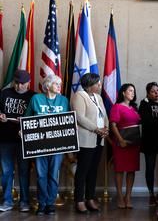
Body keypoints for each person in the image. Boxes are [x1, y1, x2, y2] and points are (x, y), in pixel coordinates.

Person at [25, 74, 70, 215]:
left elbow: (68, 120)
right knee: (41, 175)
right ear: (48, 85)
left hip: (57, 146)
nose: (59, 87)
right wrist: (23, 130)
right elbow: (27, 119)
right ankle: (42, 203)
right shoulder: (36, 99)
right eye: (57, 84)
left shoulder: (63, 100)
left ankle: (51, 204)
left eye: (60, 84)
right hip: (39, 145)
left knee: (53, 175)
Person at [71, 73, 109, 214]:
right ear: (89, 84)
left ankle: (90, 198)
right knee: (83, 170)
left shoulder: (98, 97)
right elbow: (79, 117)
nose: (100, 85)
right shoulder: (80, 95)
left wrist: (106, 128)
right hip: (86, 138)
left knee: (93, 170)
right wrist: (96, 129)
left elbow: (104, 115)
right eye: (97, 83)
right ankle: (79, 201)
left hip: (99, 138)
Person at [0, 70, 35, 212]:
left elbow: (38, 118)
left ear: (28, 83)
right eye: (17, 83)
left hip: (24, 140)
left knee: (24, 170)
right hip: (5, 138)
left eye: (22, 84)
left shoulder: (33, 96)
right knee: (6, 170)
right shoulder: (4, 93)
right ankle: (7, 201)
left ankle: (24, 201)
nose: (19, 86)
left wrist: (26, 120)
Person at [110, 83, 141, 209]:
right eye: (130, 90)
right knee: (120, 169)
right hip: (121, 143)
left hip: (133, 144)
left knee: (131, 170)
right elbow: (113, 125)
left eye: (134, 91)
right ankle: (119, 196)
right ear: (123, 92)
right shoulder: (117, 107)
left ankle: (128, 196)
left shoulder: (134, 108)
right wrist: (121, 140)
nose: (132, 93)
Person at [139, 82, 158, 206]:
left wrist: (157, 121)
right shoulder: (144, 103)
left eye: (157, 90)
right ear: (148, 93)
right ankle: (151, 194)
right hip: (149, 141)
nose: (156, 93)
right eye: (153, 91)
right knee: (150, 168)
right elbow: (145, 121)